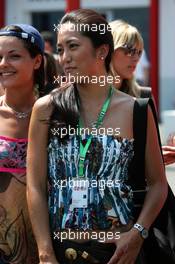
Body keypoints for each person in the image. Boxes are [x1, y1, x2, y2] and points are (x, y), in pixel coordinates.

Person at [27, 9, 167, 264]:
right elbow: (35, 185)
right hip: (61, 252)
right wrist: (45, 253)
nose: (65, 58)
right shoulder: (46, 108)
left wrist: (138, 233)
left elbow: (158, 184)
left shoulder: (136, 109)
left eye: (73, 47)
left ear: (102, 51)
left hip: (119, 253)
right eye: (60, 49)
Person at [0, 23, 44, 263]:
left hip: (49, 248)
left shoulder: (56, 114)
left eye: (14, 56)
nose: (3, 64)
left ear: (37, 61)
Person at [109, 20, 151, 98]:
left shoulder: (143, 96)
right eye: (130, 51)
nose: (136, 59)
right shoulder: (84, 95)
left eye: (139, 52)